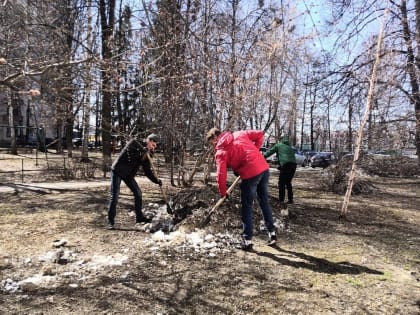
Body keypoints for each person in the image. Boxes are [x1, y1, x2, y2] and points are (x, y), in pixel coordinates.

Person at [206, 127, 276, 251]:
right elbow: (260, 134)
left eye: (212, 141)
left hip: (250, 175)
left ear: (215, 137)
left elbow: (221, 175)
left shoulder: (221, 152)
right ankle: (272, 233)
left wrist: (223, 192)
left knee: (247, 206)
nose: (213, 144)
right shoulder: (239, 134)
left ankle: (248, 240)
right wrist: (256, 150)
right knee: (264, 201)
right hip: (263, 168)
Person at [106, 133, 162, 230]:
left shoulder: (148, 153)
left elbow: (147, 171)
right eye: (153, 145)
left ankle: (139, 217)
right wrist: (141, 151)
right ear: (150, 141)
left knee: (138, 194)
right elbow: (128, 155)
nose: (154, 147)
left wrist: (156, 181)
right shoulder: (135, 143)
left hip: (129, 175)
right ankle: (110, 222)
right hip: (118, 171)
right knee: (114, 196)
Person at [264, 136, 297, 205]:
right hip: (294, 165)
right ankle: (290, 199)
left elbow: (270, 152)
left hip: (286, 165)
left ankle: (281, 200)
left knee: (281, 183)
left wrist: (262, 156)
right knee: (288, 182)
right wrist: (280, 166)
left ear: (280, 140)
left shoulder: (279, 145)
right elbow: (287, 157)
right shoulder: (290, 147)